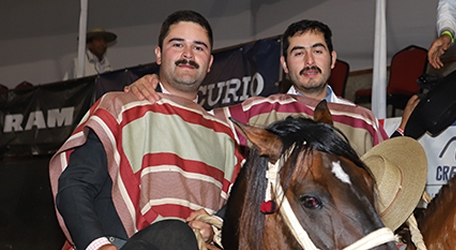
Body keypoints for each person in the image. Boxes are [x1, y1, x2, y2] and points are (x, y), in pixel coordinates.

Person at [49, 11, 241, 250]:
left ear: (210, 62)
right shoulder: (120, 105)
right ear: (158, 53)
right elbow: (73, 185)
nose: (188, 54)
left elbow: (235, 208)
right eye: (178, 44)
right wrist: (96, 246)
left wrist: (214, 224)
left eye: (198, 47)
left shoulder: (227, 133)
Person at [127, 19, 421, 155]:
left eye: (317, 51)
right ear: (284, 64)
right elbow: (193, 123)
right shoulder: (257, 110)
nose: (309, 60)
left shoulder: (363, 119)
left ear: (332, 59)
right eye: (298, 53)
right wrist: (159, 85)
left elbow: (385, 176)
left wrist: (406, 130)